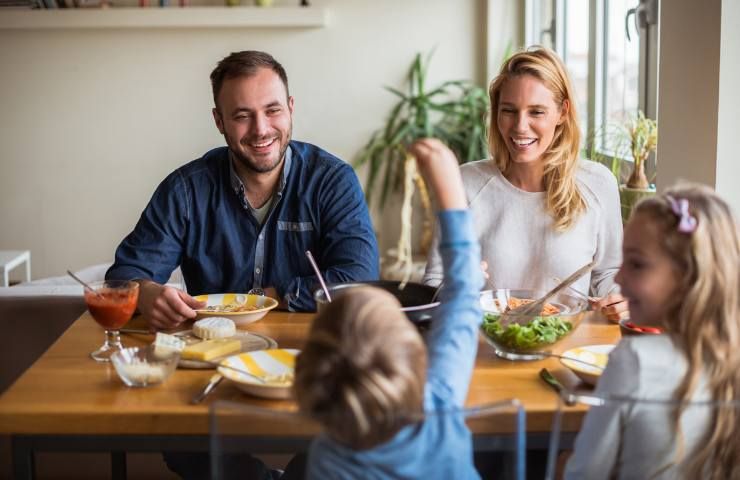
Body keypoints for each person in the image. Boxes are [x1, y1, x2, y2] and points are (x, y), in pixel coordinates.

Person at [106, 50, 379, 329]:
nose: (261, 129)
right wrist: (146, 293)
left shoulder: (332, 181)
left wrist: (266, 297)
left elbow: (361, 277)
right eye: (242, 116)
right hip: (208, 352)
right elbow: (124, 277)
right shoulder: (185, 191)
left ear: (291, 108)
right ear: (219, 121)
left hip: (307, 350)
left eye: (273, 110)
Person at [294, 138, 484, 479]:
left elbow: (463, 293)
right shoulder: (439, 406)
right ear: (417, 358)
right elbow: (465, 291)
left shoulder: (325, 459)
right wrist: (451, 192)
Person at [422, 47, 627, 321]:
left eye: (536, 112)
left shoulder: (598, 183)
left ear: (562, 113)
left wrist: (620, 300)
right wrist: (459, 285)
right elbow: (434, 283)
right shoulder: (465, 183)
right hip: (487, 345)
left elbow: (608, 273)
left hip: (568, 345)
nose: (520, 126)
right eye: (509, 110)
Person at [565, 184, 740, 479]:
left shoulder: (634, 360)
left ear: (688, 276)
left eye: (636, 264)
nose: (620, 276)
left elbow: (584, 473)